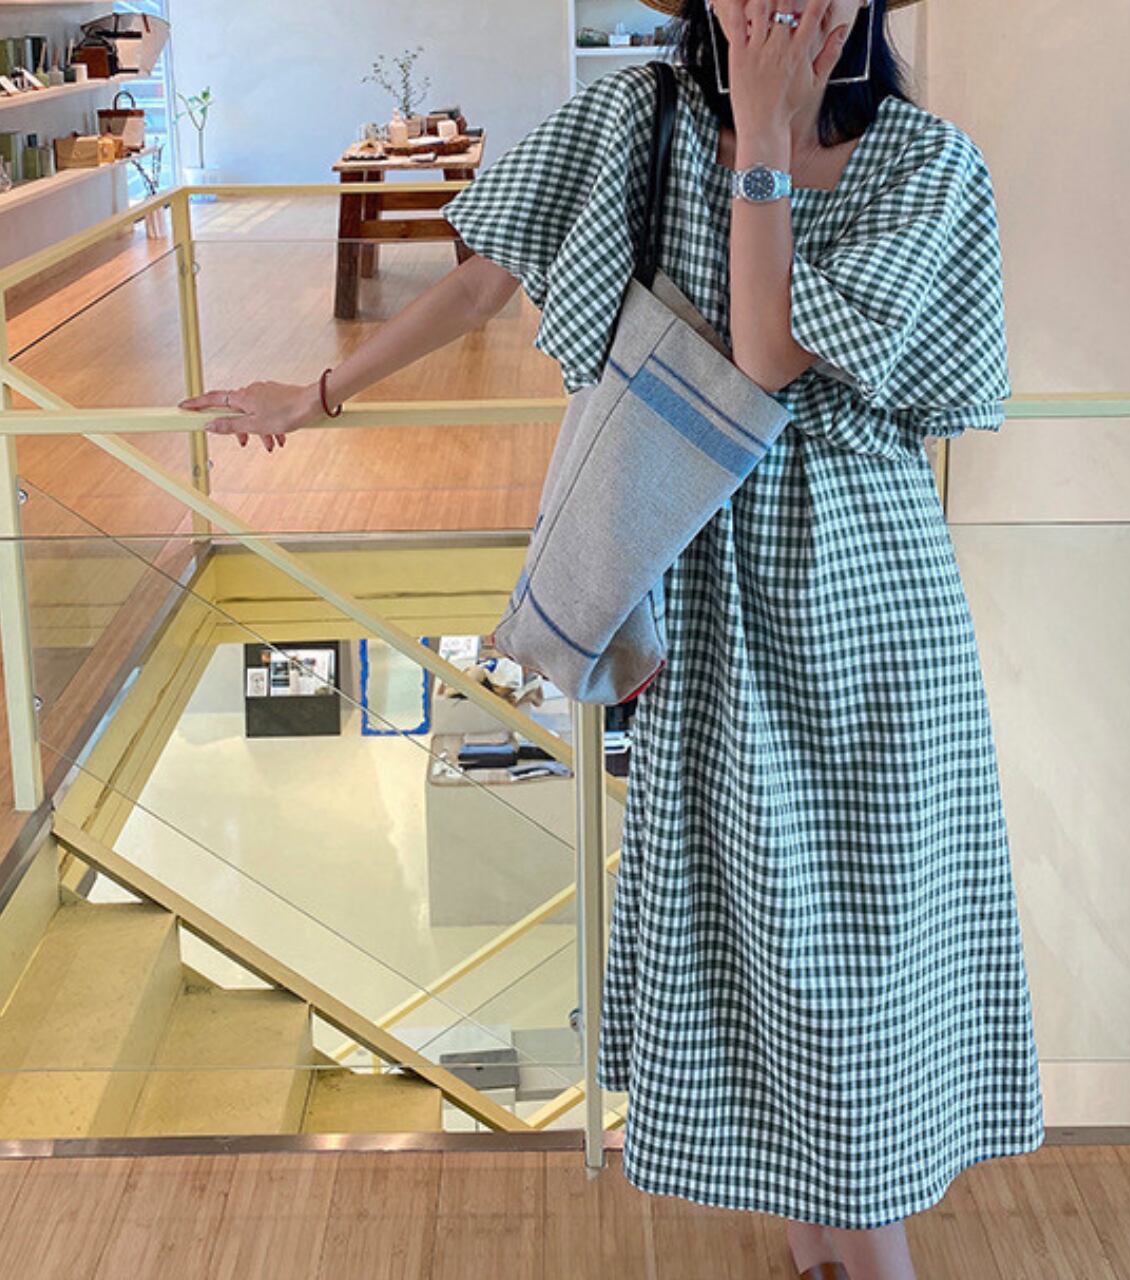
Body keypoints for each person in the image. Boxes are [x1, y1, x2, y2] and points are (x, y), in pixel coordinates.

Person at [179, 2, 1045, 1276]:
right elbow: (481, 274)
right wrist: (312, 394)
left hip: (871, 615)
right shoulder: (639, 121)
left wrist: (762, 138)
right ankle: (819, 1250)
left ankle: (869, 1254)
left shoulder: (926, 162)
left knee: (869, 953)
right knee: (751, 932)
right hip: (702, 593)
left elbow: (769, 351)